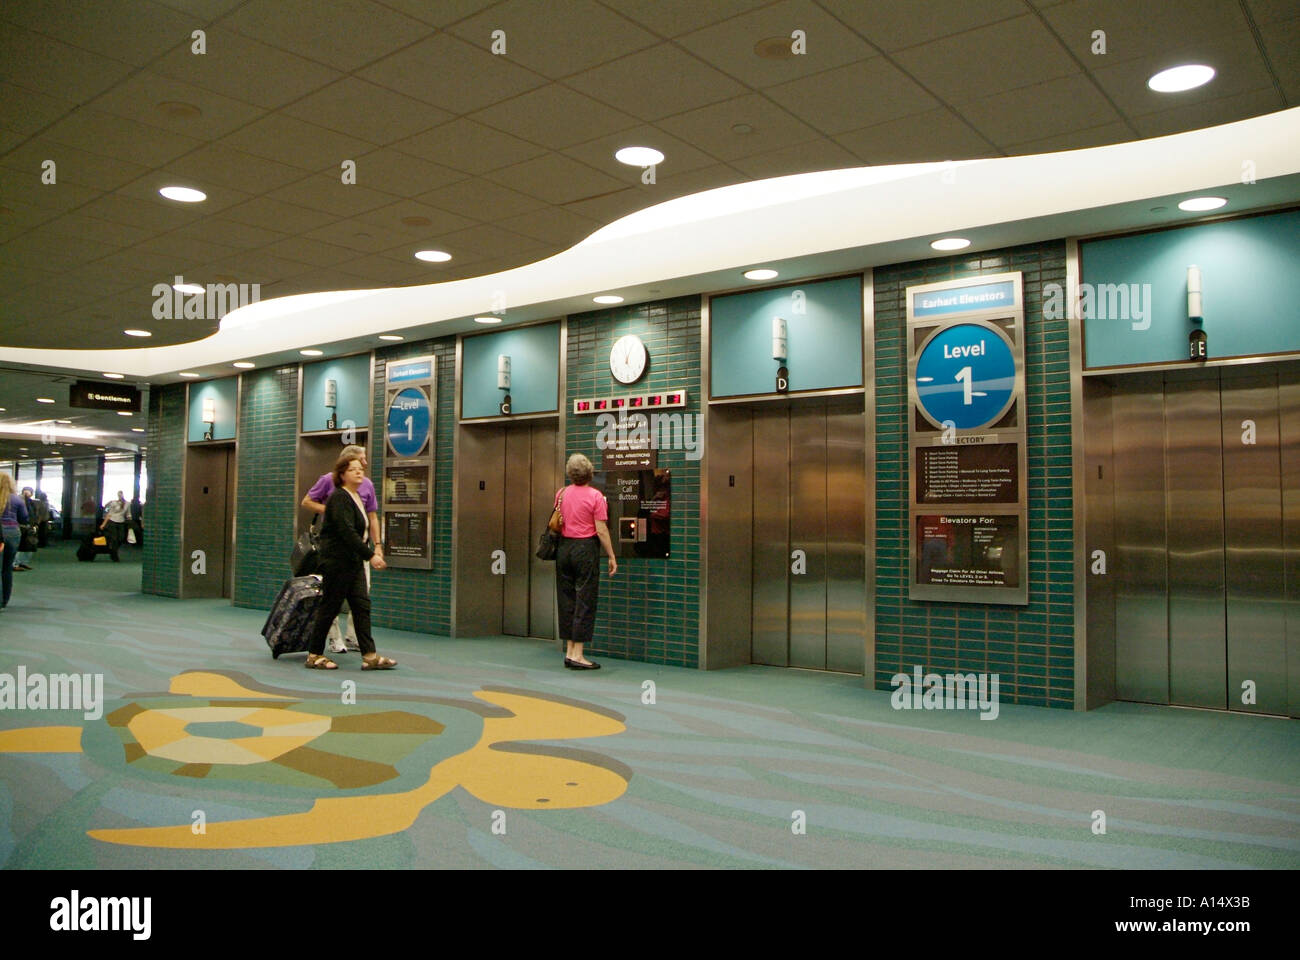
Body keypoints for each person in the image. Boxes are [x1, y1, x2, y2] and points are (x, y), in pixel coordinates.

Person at [301, 454, 395, 671]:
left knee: (362, 606)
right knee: (330, 607)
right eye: (353, 469)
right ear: (342, 474)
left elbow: (361, 529)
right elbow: (347, 533)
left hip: (353, 563)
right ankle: (314, 655)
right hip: (337, 562)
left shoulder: (354, 496)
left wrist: (370, 550)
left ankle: (369, 656)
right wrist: (370, 555)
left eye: (360, 468)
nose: (359, 472)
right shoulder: (339, 498)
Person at [554, 453, 617, 670]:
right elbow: (601, 529)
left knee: (567, 599)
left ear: (570, 473)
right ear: (590, 473)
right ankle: (578, 655)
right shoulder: (596, 496)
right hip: (585, 549)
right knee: (585, 599)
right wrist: (611, 555)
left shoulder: (561, 494)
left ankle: (570, 650)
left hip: (563, 549)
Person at [1, 472, 30, 610]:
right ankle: (5, 599)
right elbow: (24, 518)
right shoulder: (17, 500)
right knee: (7, 568)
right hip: (13, 533)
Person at [99, 490, 132, 562]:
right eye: (119, 495)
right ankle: (114, 555)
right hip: (112, 522)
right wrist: (103, 524)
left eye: (121, 494)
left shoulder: (127, 504)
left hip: (121, 522)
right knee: (114, 539)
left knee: (121, 538)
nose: (120, 496)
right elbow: (109, 514)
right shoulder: (113, 503)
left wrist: (130, 520)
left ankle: (113, 550)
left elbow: (128, 513)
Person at [13, 487, 40, 571]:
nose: (27, 494)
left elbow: (34, 514)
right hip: (20, 526)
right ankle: (15, 564)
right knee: (20, 547)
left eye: (29, 492)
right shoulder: (18, 501)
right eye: (25, 492)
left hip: (30, 527)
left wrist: (35, 524)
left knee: (29, 546)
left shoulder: (32, 503)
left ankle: (23, 562)